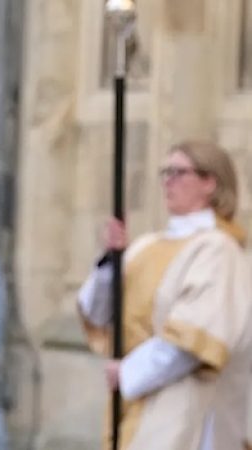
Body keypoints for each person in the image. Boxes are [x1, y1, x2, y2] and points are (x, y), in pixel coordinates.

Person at [78, 140, 252, 449]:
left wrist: (128, 371)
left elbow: (194, 340)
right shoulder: (147, 245)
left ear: (210, 182)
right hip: (137, 399)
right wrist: (111, 260)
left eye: (178, 172)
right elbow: (98, 312)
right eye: (165, 172)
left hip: (187, 403)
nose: (167, 181)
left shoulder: (219, 249)